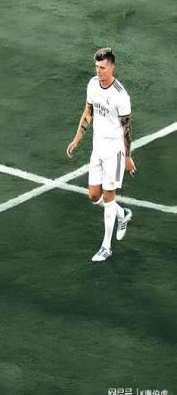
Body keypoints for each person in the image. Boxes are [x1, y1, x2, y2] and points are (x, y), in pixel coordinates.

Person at [67, 48, 136, 262]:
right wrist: (77, 139)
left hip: (114, 153)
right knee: (94, 196)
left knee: (108, 198)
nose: (98, 71)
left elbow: (126, 128)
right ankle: (122, 214)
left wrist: (127, 157)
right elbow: (88, 112)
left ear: (111, 67)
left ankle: (106, 247)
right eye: (96, 67)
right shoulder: (92, 85)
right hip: (97, 150)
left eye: (102, 68)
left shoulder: (120, 95)